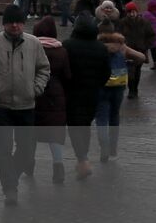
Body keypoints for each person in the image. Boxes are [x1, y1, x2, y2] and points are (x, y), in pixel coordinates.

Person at [0, 5, 50, 205]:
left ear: (23, 23)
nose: (15, 25)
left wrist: (37, 88)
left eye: (18, 21)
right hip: (1, 106)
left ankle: (12, 177)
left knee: (26, 149)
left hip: (27, 104)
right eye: (10, 22)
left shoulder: (33, 43)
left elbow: (44, 68)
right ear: (4, 24)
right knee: (4, 149)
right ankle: (10, 188)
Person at [63, 12, 111, 180]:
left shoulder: (67, 45)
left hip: (72, 93)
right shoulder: (100, 47)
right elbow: (106, 72)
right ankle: (83, 158)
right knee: (85, 125)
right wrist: (97, 84)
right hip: (92, 94)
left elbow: (63, 70)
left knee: (75, 127)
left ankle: (82, 160)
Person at [30, 16, 71, 183]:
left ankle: (28, 164)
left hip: (34, 93)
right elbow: (67, 76)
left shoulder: (31, 48)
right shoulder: (61, 51)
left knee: (31, 132)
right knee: (55, 133)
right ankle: (58, 166)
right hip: (56, 95)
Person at [95, 31, 144, 160]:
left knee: (101, 119)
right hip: (118, 87)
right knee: (114, 116)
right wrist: (129, 63)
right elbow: (141, 57)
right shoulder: (121, 47)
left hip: (101, 87)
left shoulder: (97, 46)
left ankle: (104, 147)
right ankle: (113, 148)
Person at [117, 2, 154, 100]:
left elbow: (151, 35)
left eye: (133, 12)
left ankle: (135, 89)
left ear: (136, 12)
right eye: (129, 12)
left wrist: (145, 46)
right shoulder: (122, 23)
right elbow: (118, 35)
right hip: (128, 51)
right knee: (130, 71)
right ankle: (131, 90)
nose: (132, 14)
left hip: (140, 50)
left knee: (137, 71)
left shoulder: (144, 22)